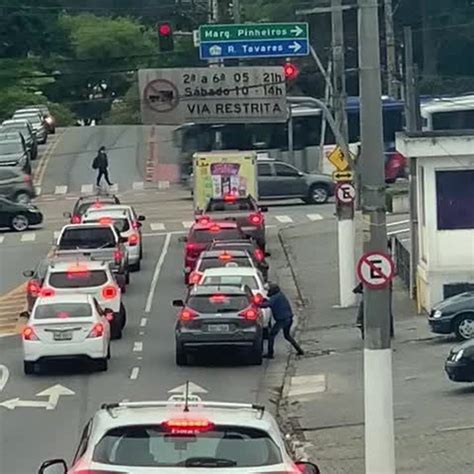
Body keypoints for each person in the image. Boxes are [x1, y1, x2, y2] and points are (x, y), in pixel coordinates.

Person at [261, 283, 304, 359]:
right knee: (287, 336)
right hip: (289, 318)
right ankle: (299, 350)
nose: (268, 292)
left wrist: (257, 304)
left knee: (271, 335)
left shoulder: (275, 297)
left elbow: (268, 304)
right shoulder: (280, 295)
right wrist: (263, 300)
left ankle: (270, 354)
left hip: (282, 320)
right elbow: (269, 301)